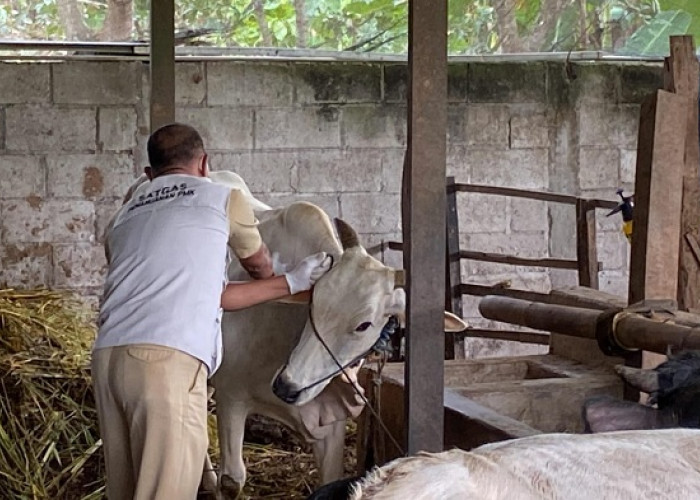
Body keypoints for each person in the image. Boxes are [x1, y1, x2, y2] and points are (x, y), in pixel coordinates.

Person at [91, 122, 330, 500]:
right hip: (166, 363)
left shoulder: (123, 216)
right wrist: (293, 280)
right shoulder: (222, 196)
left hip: (107, 361)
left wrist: (289, 284)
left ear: (149, 175)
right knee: (167, 491)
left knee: (124, 489)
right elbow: (259, 268)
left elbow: (209, 295)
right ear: (204, 163)